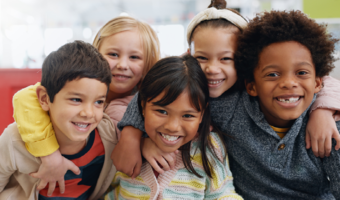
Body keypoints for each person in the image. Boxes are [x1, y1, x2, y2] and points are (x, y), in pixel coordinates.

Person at [116, 9, 340, 200]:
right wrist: (133, 135)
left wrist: (323, 110)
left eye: (225, 58)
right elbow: (159, 92)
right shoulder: (227, 107)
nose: (288, 83)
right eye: (201, 58)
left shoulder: (326, 124)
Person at [11, 16, 161, 195]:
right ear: (97, 54)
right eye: (113, 54)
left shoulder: (146, 102)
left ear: (148, 64)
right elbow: (25, 98)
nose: (122, 65)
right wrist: (49, 155)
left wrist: (140, 142)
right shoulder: (72, 84)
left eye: (134, 57)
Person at [105, 55, 243, 200]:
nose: (172, 127)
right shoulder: (126, 145)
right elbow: (111, 191)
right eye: (162, 111)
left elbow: (223, 194)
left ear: (202, 114)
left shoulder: (209, 147)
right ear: (143, 106)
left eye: (188, 116)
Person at [0, 41, 117, 199]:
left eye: (98, 102)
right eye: (76, 99)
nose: (89, 113)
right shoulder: (14, 140)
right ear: (44, 98)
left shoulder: (109, 136)